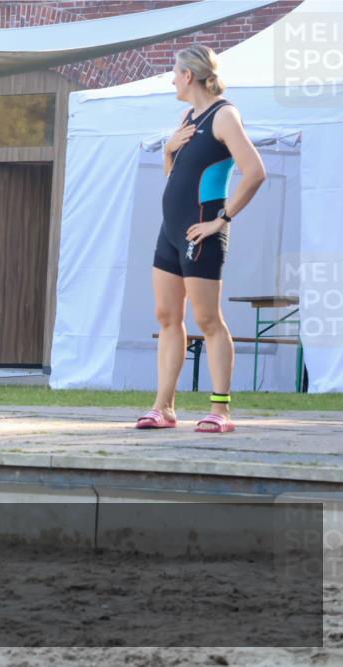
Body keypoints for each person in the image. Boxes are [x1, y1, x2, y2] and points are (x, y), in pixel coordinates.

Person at [137, 45, 266, 433]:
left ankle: (220, 410)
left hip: (201, 232)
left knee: (208, 318)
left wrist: (220, 221)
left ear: (189, 76)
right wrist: (168, 150)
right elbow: (175, 177)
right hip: (170, 232)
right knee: (166, 317)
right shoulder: (187, 117)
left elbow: (255, 172)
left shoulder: (224, 115)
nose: (171, 79)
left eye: (173, 72)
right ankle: (165, 407)